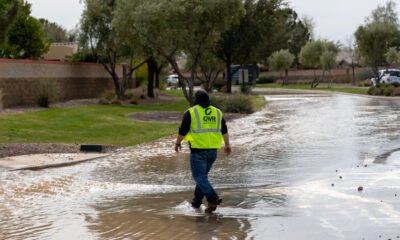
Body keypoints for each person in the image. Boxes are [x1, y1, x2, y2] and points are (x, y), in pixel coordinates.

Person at [175, 90, 231, 214]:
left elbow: (183, 130)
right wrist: (227, 145)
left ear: (196, 100)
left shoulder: (191, 112)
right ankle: (196, 203)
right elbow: (224, 130)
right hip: (212, 152)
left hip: (198, 151)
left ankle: (213, 198)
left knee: (199, 177)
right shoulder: (217, 112)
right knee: (202, 178)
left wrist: (178, 142)